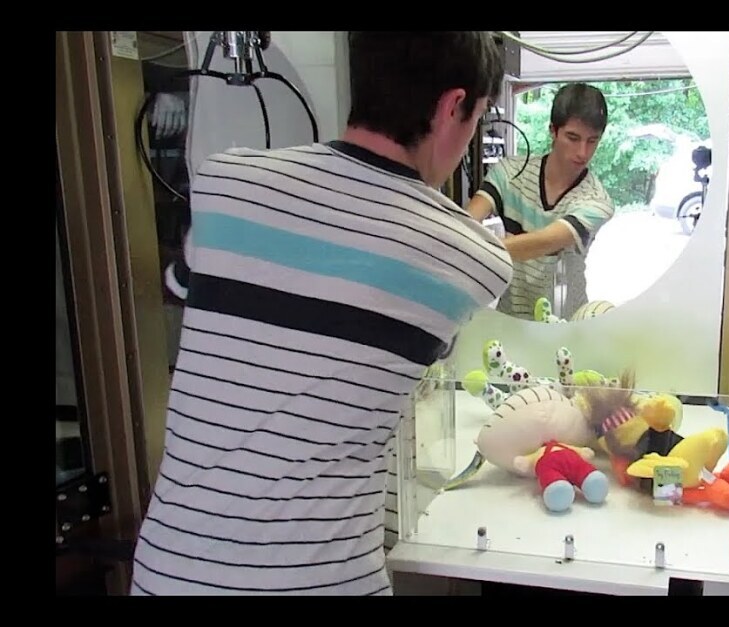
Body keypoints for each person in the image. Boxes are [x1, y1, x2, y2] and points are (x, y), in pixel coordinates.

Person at [129, 32, 512, 596]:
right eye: (476, 118)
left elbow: (182, 286)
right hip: (321, 581)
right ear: (454, 106)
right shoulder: (471, 256)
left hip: (169, 572)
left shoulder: (224, 180)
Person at [467, 83, 615, 320]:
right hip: (511, 321)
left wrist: (469, 246)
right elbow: (467, 222)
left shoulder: (597, 201)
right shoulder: (509, 172)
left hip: (566, 324)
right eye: (573, 137)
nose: (583, 152)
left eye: (592, 141)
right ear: (553, 131)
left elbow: (543, 242)